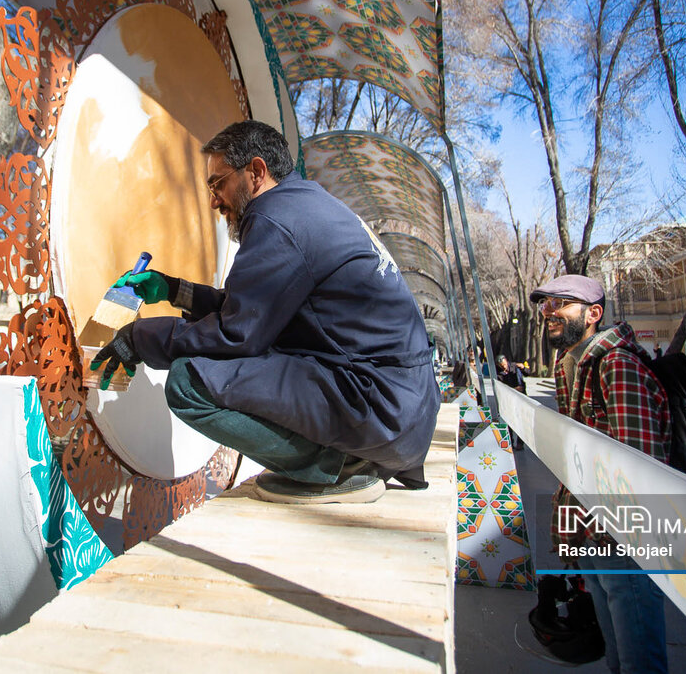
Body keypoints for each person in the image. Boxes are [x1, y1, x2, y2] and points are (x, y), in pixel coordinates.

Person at [91, 120, 439, 505]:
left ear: (255, 172)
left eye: (217, 184)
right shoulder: (305, 204)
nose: (213, 201)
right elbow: (254, 308)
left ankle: (336, 470)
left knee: (188, 383)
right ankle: (340, 460)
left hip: (379, 409)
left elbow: (236, 334)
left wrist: (138, 338)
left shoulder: (275, 219)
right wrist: (174, 290)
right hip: (406, 409)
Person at [532, 274, 669, 674]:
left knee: (638, 662)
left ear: (593, 314)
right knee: (616, 659)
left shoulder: (618, 366)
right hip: (591, 534)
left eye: (560, 304)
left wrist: (609, 541)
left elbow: (639, 468)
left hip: (623, 540)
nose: (548, 312)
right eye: (545, 305)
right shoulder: (570, 365)